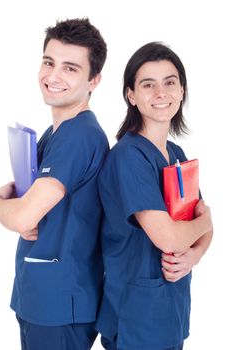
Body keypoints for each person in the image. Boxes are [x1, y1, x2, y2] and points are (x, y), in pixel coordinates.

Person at [0, 18, 108, 350]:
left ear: (94, 80)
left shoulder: (79, 136)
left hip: (59, 305)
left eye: (70, 68)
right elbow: (29, 204)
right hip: (41, 297)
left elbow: (23, 216)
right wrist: (19, 207)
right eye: (48, 62)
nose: (53, 76)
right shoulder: (56, 133)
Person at [96, 42, 213, 350]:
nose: (161, 93)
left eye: (170, 82)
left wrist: (196, 254)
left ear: (182, 91)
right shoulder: (128, 158)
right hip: (136, 315)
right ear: (131, 95)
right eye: (148, 84)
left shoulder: (175, 153)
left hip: (169, 309)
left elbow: (199, 230)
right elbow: (171, 237)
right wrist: (207, 222)